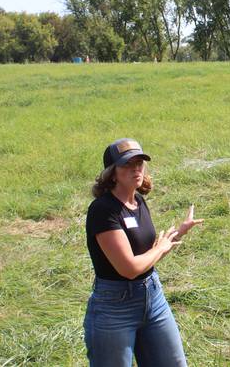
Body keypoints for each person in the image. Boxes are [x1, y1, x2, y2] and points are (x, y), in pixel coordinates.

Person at [83, 138, 203, 366]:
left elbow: (146, 257)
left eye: (140, 162)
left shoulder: (138, 201)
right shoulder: (103, 210)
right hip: (115, 307)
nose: (136, 168)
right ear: (112, 173)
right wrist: (160, 247)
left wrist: (176, 235)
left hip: (153, 298)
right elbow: (129, 268)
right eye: (127, 164)